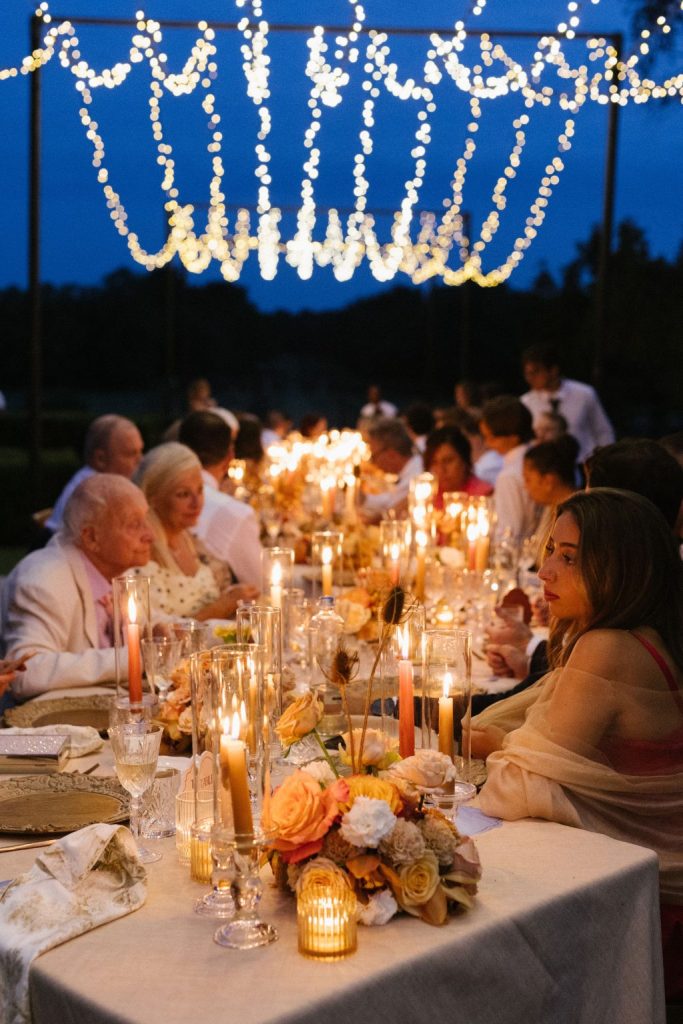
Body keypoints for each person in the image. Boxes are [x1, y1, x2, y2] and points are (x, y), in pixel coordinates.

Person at [473, 490, 683, 999]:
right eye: (549, 551)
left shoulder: (607, 648)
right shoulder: (646, 637)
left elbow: (520, 785)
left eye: (569, 558)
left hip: (651, 918)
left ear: (620, 567)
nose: (545, 572)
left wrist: (495, 743)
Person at [1, 475, 154, 698]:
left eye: (146, 520)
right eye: (134, 524)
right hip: (47, 725)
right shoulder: (43, 579)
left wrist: (189, 635)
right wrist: (131, 658)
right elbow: (26, 672)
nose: (150, 535)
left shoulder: (118, 569)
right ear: (91, 537)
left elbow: (152, 625)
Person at [132, 443, 258, 620]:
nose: (196, 503)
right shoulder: (142, 555)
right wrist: (224, 604)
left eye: (200, 490)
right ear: (153, 500)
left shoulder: (187, 537)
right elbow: (155, 636)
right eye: (183, 494)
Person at [178, 411, 263, 587]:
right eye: (183, 495)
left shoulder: (154, 496)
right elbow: (262, 583)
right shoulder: (234, 512)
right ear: (230, 455)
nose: (194, 504)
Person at [46, 414, 144, 533]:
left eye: (140, 452)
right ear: (100, 459)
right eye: (130, 454)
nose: (141, 461)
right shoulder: (93, 494)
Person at [520, 343, 615, 462]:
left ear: (553, 371)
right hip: (546, 467)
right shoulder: (526, 402)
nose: (530, 378)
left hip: (582, 463)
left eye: (536, 372)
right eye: (527, 373)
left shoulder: (584, 394)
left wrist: (605, 461)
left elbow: (603, 431)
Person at [480, 396, 540, 543]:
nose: (487, 444)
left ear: (513, 437)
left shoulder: (510, 475)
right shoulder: (535, 459)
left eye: (491, 438)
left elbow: (509, 533)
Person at [360, 418, 423, 522]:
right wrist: (363, 497)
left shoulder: (418, 477)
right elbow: (390, 499)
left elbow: (392, 511)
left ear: (391, 454)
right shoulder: (408, 470)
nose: (373, 463)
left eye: (374, 456)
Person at [423, 425, 493, 504]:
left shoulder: (484, 497)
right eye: (434, 463)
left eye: (448, 461)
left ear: (464, 461)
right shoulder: (426, 497)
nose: (441, 470)